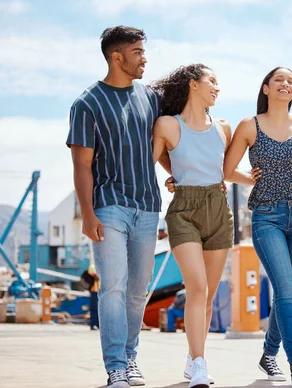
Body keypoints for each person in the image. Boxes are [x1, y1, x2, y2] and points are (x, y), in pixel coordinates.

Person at [67, 25, 161, 388]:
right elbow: (81, 165)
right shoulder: (87, 103)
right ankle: (116, 367)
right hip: (108, 206)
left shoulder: (150, 98)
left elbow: (164, 143)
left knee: (139, 289)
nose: (144, 58)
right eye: (138, 51)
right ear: (116, 57)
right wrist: (87, 213)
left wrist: (172, 175)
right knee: (113, 286)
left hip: (148, 205)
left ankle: (131, 356)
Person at [152, 63, 256, 388]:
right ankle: (199, 363)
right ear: (193, 84)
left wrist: (257, 179)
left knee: (208, 295)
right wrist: (176, 176)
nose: (217, 88)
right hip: (183, 210)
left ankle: (193, 356)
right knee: (196, 288)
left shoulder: (223, 127)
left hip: (218, 209)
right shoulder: (167, 125)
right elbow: (153, 159)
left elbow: (225, 171)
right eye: (212, 81)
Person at [223, 67, 292, 386]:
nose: (285, 84)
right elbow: (227, 170)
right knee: (284, 291)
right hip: (266, 216)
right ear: (266, 88)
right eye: (279, 80)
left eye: (291, 81)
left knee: (287, 292)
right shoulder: (248, 126)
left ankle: (269, 355)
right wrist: (248, 178)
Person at [81, 263, 100, 330]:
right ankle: (93, 324)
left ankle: (97, 324)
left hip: (98, 292)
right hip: (95, 292)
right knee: (95, 309)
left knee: (97, 309)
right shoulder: (93, 267)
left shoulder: (95, 267)